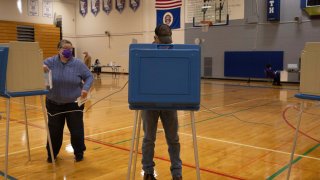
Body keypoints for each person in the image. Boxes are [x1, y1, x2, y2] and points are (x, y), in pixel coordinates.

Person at [141, 24, 182, 180]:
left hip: (170, 102)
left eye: (168, 40)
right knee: (149, 139)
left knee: (173, 139)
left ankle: (177, 174)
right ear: (155, 38)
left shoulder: (175, 52)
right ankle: (148, 172)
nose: (166, 44)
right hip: (149, 103)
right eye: (163, 41)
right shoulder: (144, 53)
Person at [43, 39, 93, 163]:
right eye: (65, 48)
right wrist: (41, 68)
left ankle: (79, 152)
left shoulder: (78, 64)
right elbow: (35, 70)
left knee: (76, 130)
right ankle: (52, 154)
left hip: (74, 103)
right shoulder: (50, 62)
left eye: (70, 49)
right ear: (58, 49)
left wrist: (85, 88)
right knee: (54, 131)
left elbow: (89, 77)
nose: (68, 51)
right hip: (54, 103)